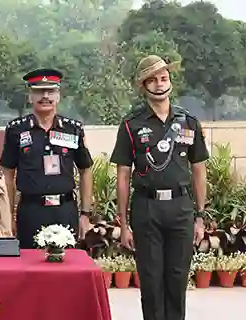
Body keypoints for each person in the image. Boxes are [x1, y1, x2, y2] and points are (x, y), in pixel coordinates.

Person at [110, 55, 208, 320]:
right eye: (152, 80)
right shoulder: (132, 124)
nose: (159, 84)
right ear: (144, 86)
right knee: (151, 282)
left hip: (180, 208)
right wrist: (123, 223)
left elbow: (199, 169)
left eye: (163, 78)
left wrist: (200, 216)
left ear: (170, 81)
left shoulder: (189, 122)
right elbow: (122, 173)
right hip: (146, 208)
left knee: (177, 281)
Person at [0, 68, 94, 249]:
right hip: (31, 211)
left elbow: (85, 169)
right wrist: (7, 217)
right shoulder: (16, 130)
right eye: (39, 91)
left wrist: (85, 214)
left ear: (59, 96)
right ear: (29, 96)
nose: (45, 96)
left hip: (65, 209)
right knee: (30, 269)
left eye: (51, 91)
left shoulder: (73, 129)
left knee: (65, 268)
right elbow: (8, 174)